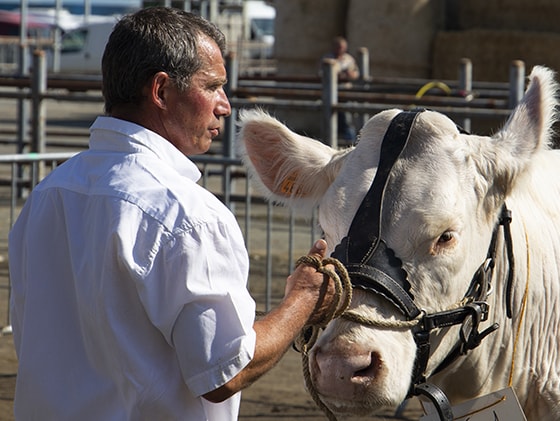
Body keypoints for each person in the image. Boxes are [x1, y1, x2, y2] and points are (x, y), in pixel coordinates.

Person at [8, 7, 336, 420]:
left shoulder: (48, 194)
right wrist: (303, 299)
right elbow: (224, 371)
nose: (226, 105)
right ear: (161, 91)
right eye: (213, 86)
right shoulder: (186, 214)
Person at [320, 36, 360, 143]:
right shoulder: (328, 59)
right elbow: (321, 73)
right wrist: (335, 75)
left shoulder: (349, 59)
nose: (340, 49)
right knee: (331, 117)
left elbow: (356, 73)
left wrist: (350, 74)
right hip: (331, 92)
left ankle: (349, 140)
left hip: (345, 92)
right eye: (338, 47)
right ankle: (331, 139)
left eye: (342, 47)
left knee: (347, 117)